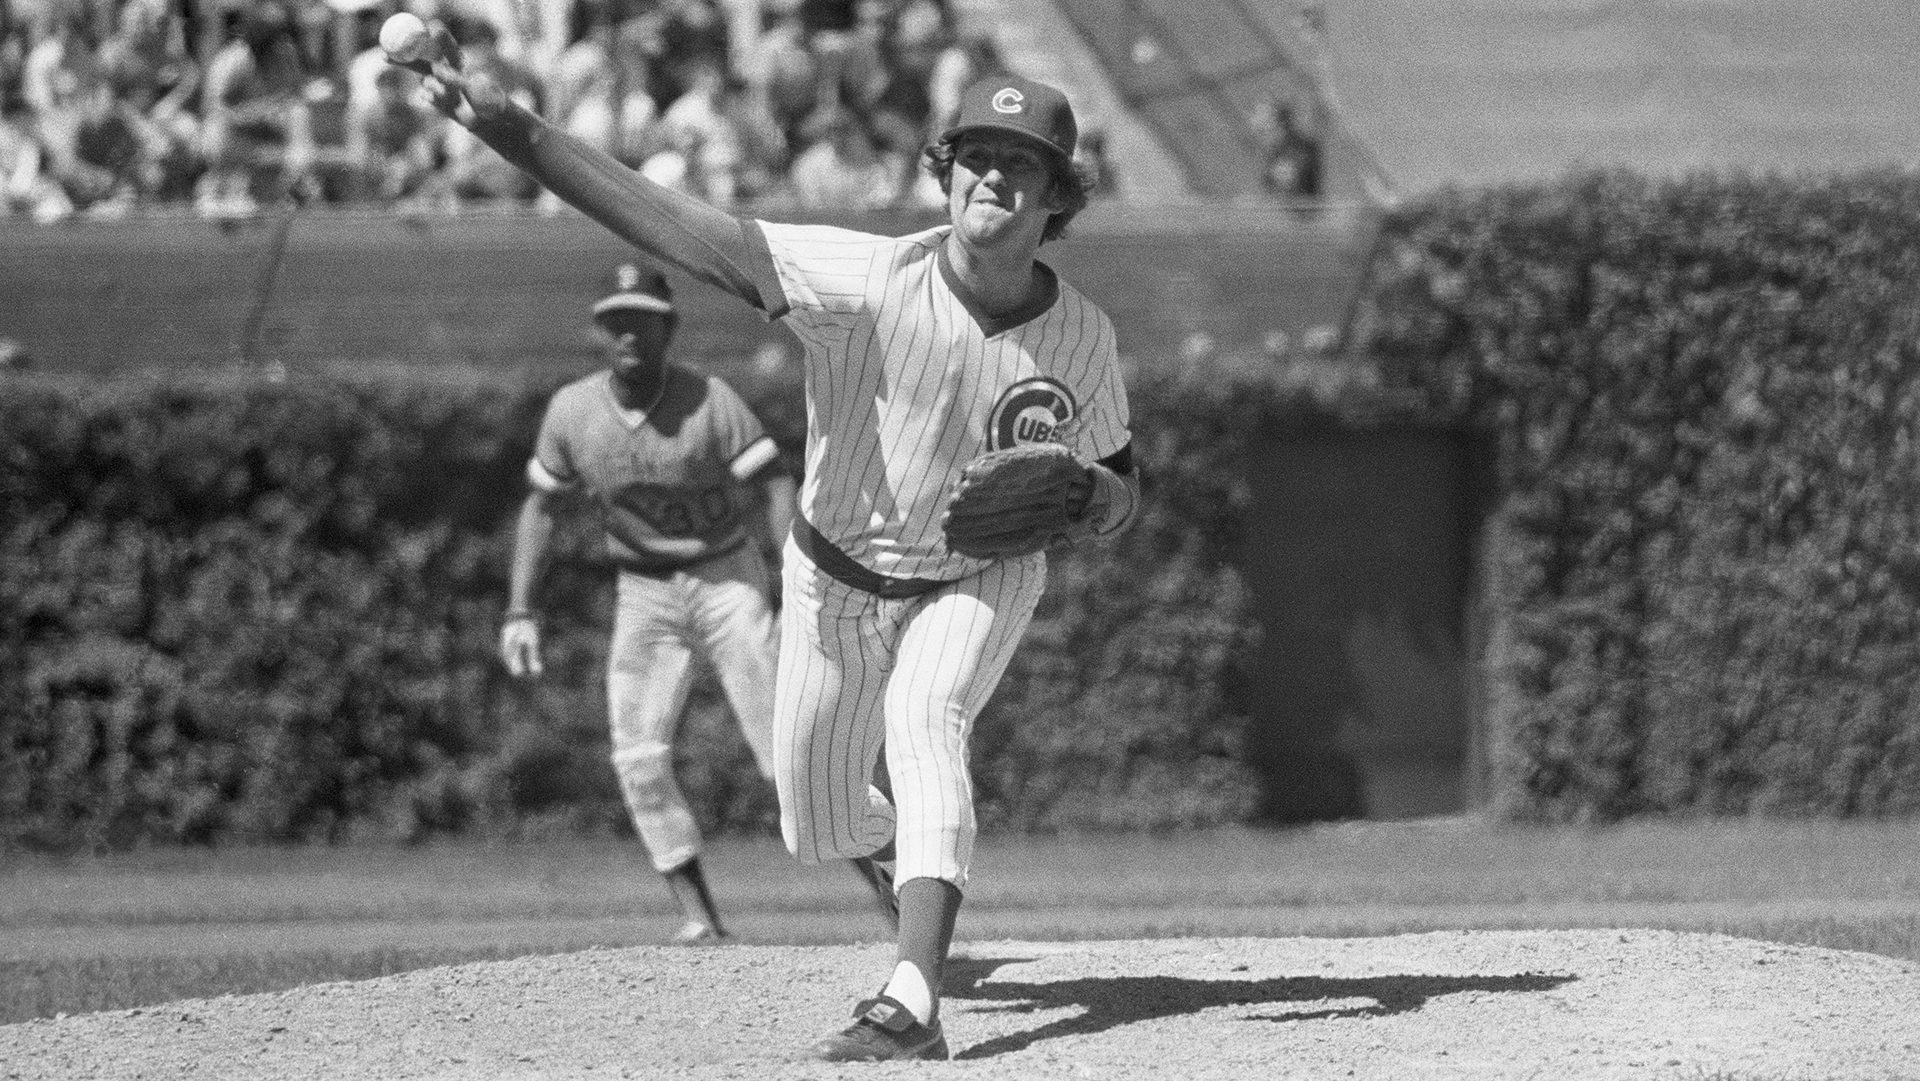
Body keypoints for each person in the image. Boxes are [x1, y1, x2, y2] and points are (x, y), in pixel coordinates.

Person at [415, 45, 1141, 1059]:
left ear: (1060, 194)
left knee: (925, 715)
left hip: (982, 572)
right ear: (946, 169)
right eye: (977, 154)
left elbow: (1120, 490)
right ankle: (902, 856)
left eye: (1023, 164)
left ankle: (913, 996)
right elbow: (687, 233)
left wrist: (1097, 495)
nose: (995, 178)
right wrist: (515, 132)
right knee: (820, 822)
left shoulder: (1084, 339)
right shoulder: (863, 281)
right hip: (834, 579)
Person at [500, 262, 898, 946]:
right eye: (616, 318)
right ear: (602, 330)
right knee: (638, 756)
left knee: (794, 753)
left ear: (667, 327)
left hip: (725, 577)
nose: (628, 331)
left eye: (642, 317)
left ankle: (897, 899)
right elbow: (541, 506)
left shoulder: (711, 402)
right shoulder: (573, 410)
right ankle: (701, 920)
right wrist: (519, 607)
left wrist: (795, 577)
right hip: (643, 590)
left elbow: (776, 485)